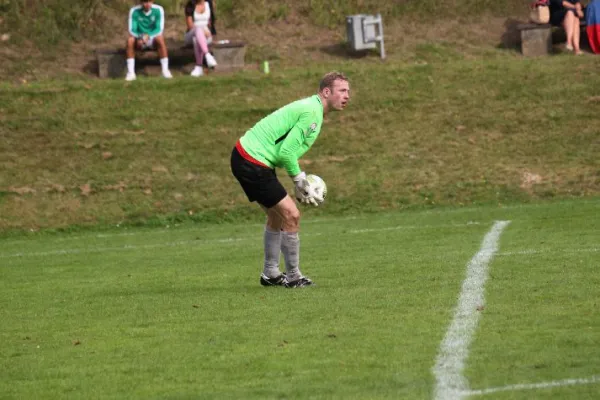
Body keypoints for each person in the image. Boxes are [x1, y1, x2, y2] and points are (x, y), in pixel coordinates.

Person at [230, 72, 351, 288]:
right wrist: (299, 179)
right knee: (291, 214)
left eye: (348, 91)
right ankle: (294, 277)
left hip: (248, 156)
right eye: (342, 90)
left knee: (277, 216)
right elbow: (286, 152)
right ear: (326, 92)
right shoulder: (313, 112)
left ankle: (270, 273)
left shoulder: (312, 109)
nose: (347, 95)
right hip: (252, 160)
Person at [125, 0, 173, 81]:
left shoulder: (159, 9)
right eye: (144, 2)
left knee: (160, 38)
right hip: (139, 39)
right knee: (130, 40)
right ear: (141, 2)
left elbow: (159, 29)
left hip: (152, 39)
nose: (147, 4)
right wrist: (141, 37)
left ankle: (165, 70)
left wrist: (148, 36)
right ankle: (131, 73)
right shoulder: (134, 11)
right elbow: (132, 29)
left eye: (149, 1)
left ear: (152, 1)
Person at [183, 0, 218, 77]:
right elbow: (190, 25)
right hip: (191, 33)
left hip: (206, 35)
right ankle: (207, 54)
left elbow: (211, 22)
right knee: (198, 30)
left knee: (196, 40)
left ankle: (198, 67)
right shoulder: (190, 5)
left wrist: (210, 33)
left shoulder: (209, 4)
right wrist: (202, 30)